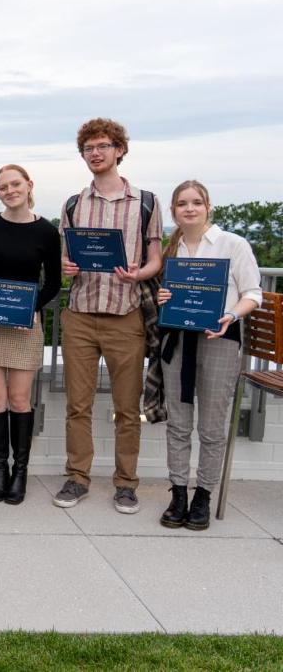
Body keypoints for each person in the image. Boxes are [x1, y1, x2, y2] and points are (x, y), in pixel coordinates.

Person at [53, 118, 163, 514]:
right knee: (77, 405)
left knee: (126, 407)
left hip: (125, 315)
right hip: (80, 314)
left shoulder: (146, 202)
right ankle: (77, 477)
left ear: (119, 150)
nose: (95, 153)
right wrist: (67, 266)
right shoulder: (73, 203)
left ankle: (126, 483)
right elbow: (67, 256)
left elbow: (155, 260)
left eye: (103, 146)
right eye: (88, 148)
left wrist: (140, 273)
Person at [157, 180, 261, 530]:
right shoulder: (173, 249)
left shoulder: (233, 244)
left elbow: (253, 293)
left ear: (208, 206)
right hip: (178, 341)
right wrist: (163, 299)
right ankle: (179, 493)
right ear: (173, 211)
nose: (189, 209)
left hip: (220, 339)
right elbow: (169, 293)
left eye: (196, 202)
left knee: (213, 425)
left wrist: (232, 314)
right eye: (182, 204)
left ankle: (203, 494)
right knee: (178, 423)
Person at [0, 165, 61, 505]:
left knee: (20, 400)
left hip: (26, 327)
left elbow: (52, 282)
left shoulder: (47, 233)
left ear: (28, 185)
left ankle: (20, 472)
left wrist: (32, 309)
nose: (10, 190)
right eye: (3, 187)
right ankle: (0, 471)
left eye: (15, 184)